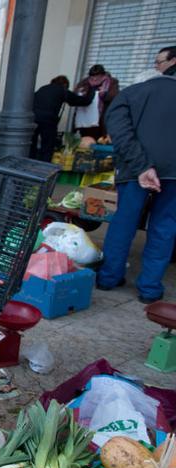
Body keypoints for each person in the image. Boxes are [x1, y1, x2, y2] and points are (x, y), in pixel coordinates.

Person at [95, 55, 175, 303]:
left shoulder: (132, 93)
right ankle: (150, 288)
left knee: (124, 222)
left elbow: (118, 131)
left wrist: (142, 166)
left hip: (134, 170)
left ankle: (108, 277)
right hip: (174, 172)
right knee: (164, 227)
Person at [30, 76, 93, 162]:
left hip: (32, 118)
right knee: (48, 146)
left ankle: (28, 165)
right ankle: (43, 169)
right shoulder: (62, 90)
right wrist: (92, 91)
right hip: (48, 120)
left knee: (31, 145)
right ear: (65, 85)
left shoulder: (43, 88)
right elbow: (80, 101)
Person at [75, 64, 119, 139]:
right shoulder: (84, 82)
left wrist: (104, 94)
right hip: (86, 116)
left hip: (102, 117)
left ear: (103, 75)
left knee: (100, 139)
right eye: (92, 77)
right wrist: (81, 93)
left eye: (97, 77)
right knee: (86, 140)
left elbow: (114, 96)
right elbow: (76, 93)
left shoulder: (111, 83)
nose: (94, 79)